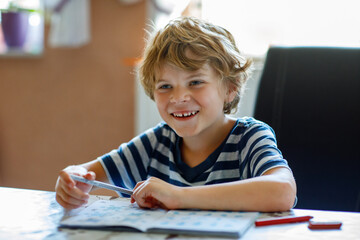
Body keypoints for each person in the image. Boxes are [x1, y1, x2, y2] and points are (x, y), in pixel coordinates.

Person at [55, 17, 296, 212]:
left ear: (230, 90)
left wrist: (179, 196)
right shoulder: (157, 143)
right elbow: (88, 173)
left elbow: (282, 191)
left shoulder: (249, 137)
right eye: (165, 86)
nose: (178, 98)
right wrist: (72, 179)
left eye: (195, 82)